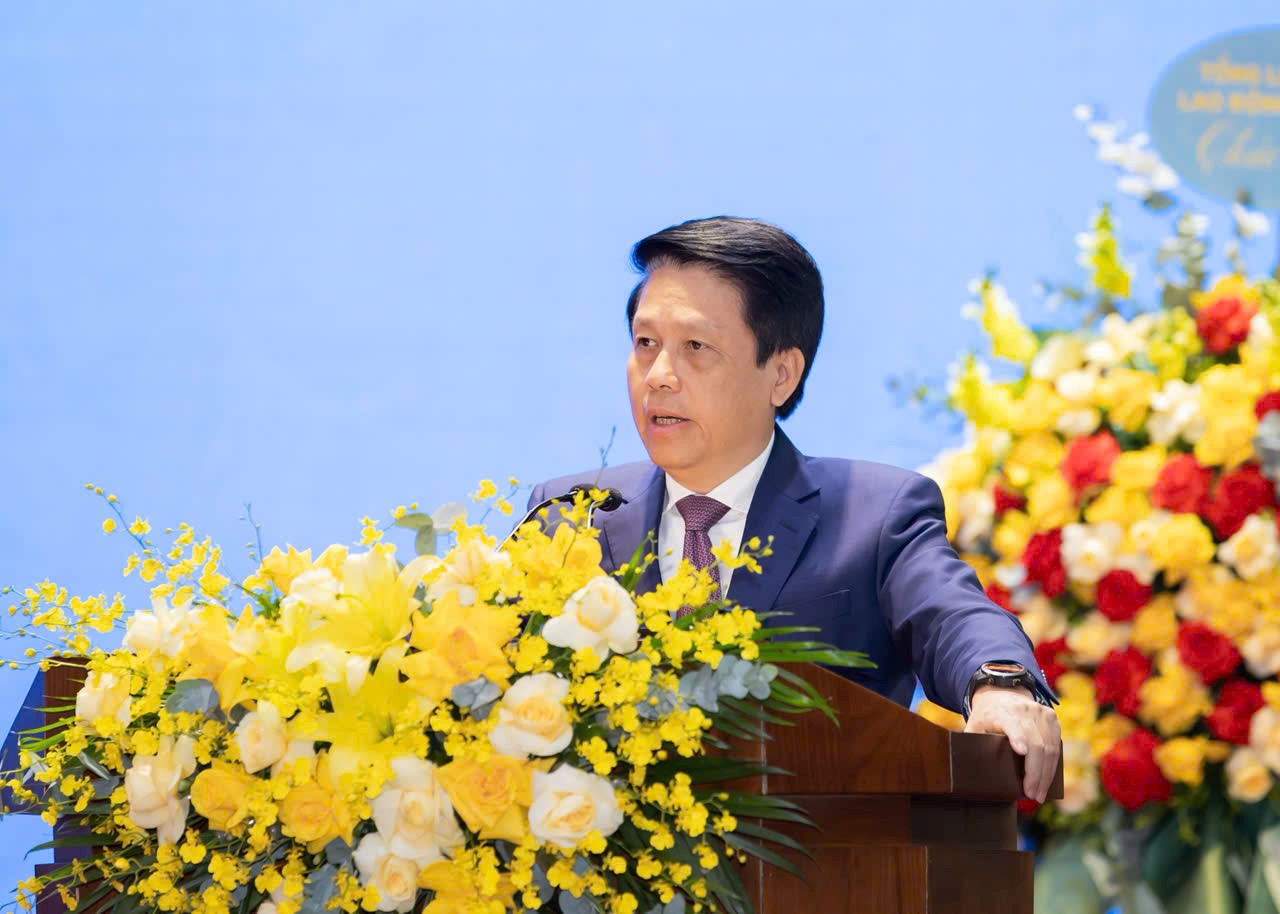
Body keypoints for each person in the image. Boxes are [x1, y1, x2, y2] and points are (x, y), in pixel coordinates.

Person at [528, 217, 1061, 803]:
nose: (658, 377)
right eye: (645, 343)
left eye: (696, 348)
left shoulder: (874, 516)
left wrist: (999, 685)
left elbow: (952, 615)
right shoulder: (570, 515)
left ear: (781, 374)